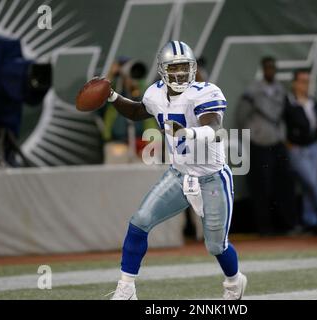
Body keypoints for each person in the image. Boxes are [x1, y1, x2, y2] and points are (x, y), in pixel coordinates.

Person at [100, 41, 247, 300]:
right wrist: (112, 96)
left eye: (184, 68)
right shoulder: (155, 94)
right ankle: (126, 290)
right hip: (179, 174)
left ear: (193, 69)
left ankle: (234, 282)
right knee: (140, 221)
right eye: (174, 68)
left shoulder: (205, 92)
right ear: (162, 70)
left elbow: (213, 127)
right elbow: (137, 111)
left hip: (212, 178)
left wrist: (188, 132)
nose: (179, 74)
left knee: (215, 245)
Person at [236, 56, 297, 235]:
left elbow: (285, 115)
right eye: (267, 67)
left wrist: (283, 136)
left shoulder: (280, 90)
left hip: (277, 142)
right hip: (260, 143)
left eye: (273, 67)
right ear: (263, 69)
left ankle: (287, 224)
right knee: (261, 186)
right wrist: (252, 134)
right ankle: (264, 227)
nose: (270, 70)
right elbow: (241, 115)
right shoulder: (252, 90)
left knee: (284, 183)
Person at [284, 69, 317, 233]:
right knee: (312, 181)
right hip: (297, 148)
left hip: (314, 146)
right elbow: (281, 121)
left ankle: (311, 220)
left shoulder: (312, 102)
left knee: (309, 184)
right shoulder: (288, 102)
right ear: (295, 83)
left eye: (307, 81)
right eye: (302, 81)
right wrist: (286, 140)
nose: (305, 85)